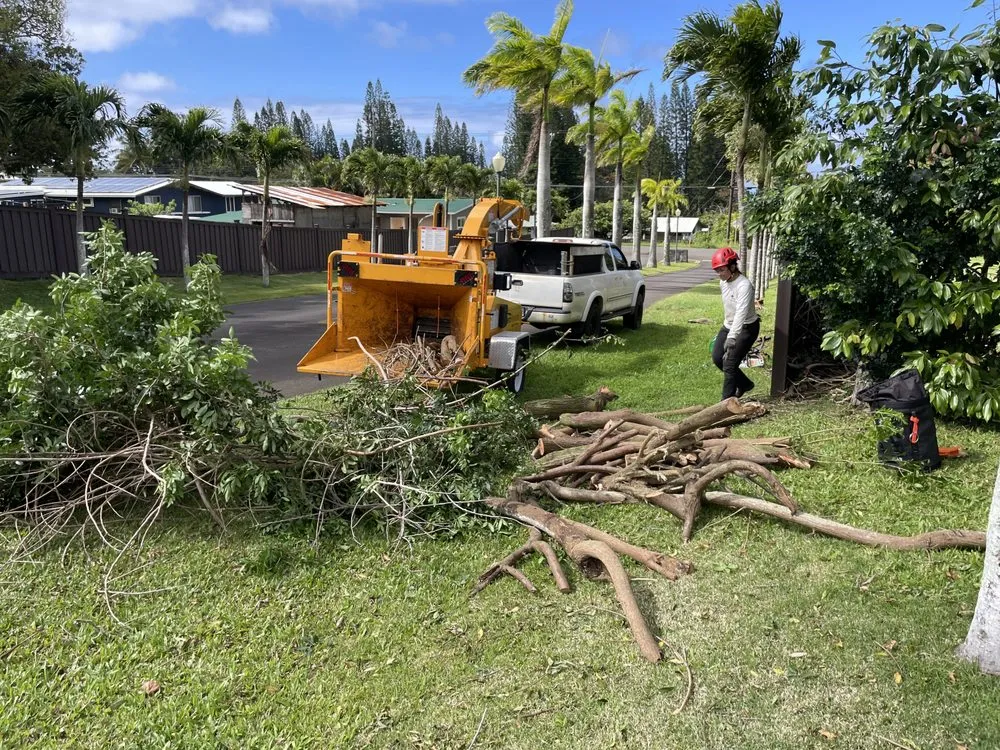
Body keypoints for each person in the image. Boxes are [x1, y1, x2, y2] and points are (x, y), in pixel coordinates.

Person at [710, 247, 759, 400]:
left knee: (729, 364)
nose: (720, 274)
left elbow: (741, 313)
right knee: (718, 358)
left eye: (722, 270)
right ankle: (745, 384)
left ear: (732, 266)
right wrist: (728, 331)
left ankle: (726, 404)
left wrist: (732, 338)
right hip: (729, 324)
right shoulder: (723, 282)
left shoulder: (744, 286)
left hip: (746, 327)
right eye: (717, 271)